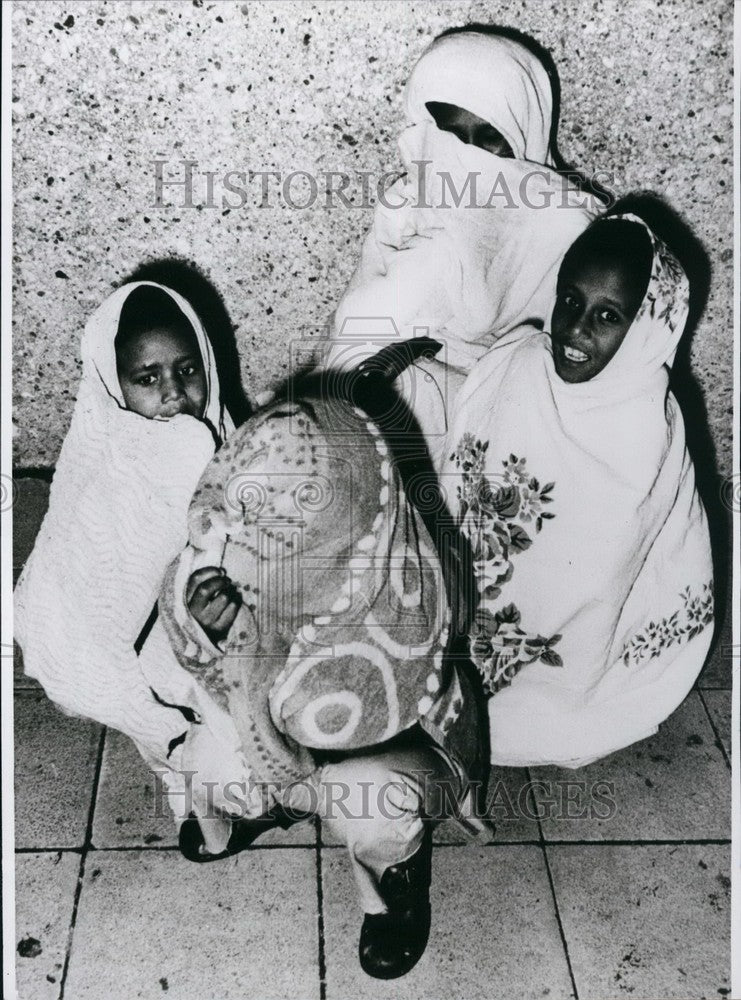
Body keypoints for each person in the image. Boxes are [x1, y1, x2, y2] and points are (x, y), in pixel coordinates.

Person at [158, 358, 487, 980]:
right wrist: (217, 623)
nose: (255, 533)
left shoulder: (408, 575)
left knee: (361, 798)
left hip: (409, 752)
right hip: (296, 744)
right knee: (210, 759)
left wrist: (251, 668)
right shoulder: (251, 549)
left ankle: (395, 876)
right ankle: (281, 804)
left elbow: (344, 713)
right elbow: (194, 633)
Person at [441, 213, 714, 767]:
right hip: (467, 600)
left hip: (580, 644)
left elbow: (602, 577)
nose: (575, 330)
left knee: (532, 712)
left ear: (649, 326)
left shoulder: (645, 427)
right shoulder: (516, 363)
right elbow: (460, 482)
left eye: (608, 316)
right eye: (570, 301)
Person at [14, 282, 247, 821]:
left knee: (228, 726)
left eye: (188, 370)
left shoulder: (219, 437)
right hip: (123, 649)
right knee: (163, 730)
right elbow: (80, 557)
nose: (173, 392)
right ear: (111, 384)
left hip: (203, 636)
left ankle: (220, 774)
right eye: (147, 378)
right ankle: (180, 777)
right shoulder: (103, 454)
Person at [324, 26, 602, 470]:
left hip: (519, 428)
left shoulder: (572, 231)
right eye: (451, 136)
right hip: (411, 412)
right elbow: (357, 333)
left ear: (525, 130)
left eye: (490, 137)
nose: (468, 157)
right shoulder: (405, 206)